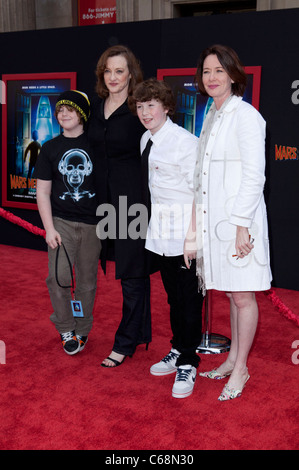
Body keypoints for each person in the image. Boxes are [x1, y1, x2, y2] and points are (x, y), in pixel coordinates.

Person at [183, 44, 272, 401]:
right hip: (215, 221)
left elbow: (255, 176)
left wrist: (240, 226)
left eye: (219, 71)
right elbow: (201, 177)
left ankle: (242, 368)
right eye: (206, 72)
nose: (212, 78)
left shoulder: (246, 116)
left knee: (243, 295)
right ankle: (233, 358)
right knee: (233, 295)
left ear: (234, 76)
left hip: (240, 224)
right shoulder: (212, 114)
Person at [129, 78, 204, 398]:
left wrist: (193, 238)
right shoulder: (146, 138)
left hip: (186, 237)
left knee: (189, 302)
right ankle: (178, 348)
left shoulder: (185, 143)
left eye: (151, 105)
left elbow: (201, 193)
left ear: (166, 107)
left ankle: (189, 360)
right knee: (174, 299)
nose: (145, 112)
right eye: (140, 106)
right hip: (159, 235)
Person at [88, 45, 152, 368]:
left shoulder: (138, 109)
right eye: (108, 71)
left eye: (119, 71)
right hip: (104, 202)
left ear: (130, 74)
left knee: (132, 273)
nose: (113, 77)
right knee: (130, 272)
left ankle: (124, 342)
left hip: (132, 203)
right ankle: (138, 332)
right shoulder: (96, 108)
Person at [34, 90, 101, 355]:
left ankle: (82, 328)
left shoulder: (96, 145)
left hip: (93, 225)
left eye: (70, 109)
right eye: (60, 110)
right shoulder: (50, 148)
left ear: (82, 114)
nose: (63, 114)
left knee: (87, 280)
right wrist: (49, 228)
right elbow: (43, 192)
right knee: (58, 278)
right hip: (61, 222)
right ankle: (64, 326)